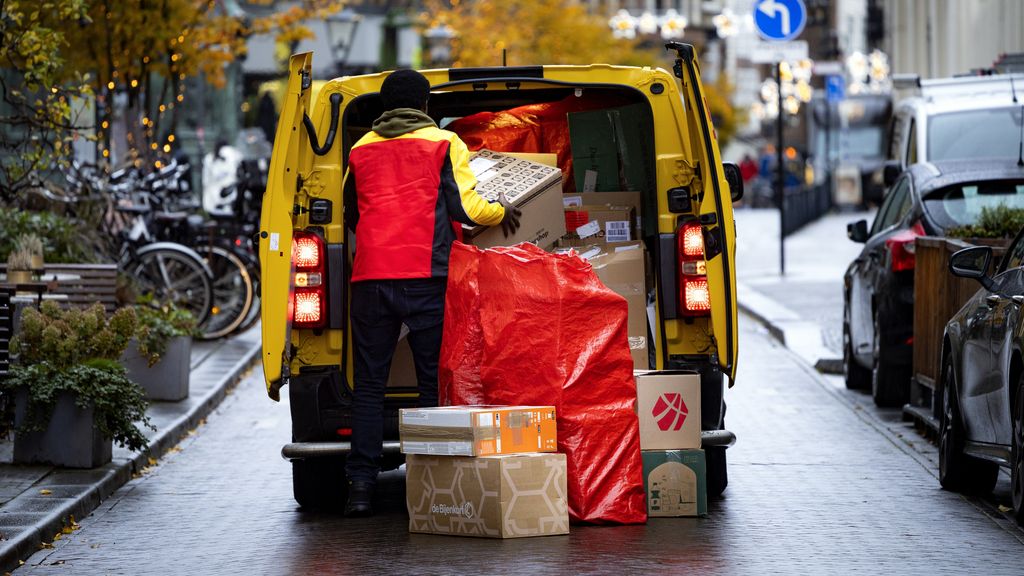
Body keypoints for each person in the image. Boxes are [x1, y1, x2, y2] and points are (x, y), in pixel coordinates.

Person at [341, 69, 521, 517]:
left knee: (369, 386)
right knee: (429, 384)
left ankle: (360, 487)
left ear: (385, 107)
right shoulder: (444, 142)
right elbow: (466, 206)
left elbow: (351, 213)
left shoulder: (360, 149)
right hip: (427, 276)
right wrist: (503, 209)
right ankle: (426, 485)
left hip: (371, 280)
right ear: (425, 106)